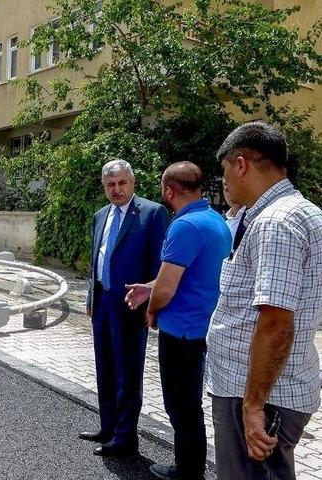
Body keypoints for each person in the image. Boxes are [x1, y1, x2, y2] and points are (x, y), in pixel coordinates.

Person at [207, 122, 322, 479]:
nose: (225, 180)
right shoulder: (300, 212)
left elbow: (276, 321)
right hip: (270, 388)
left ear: (241, 164)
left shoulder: (277, 222)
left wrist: (253, 406)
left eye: (225, 169)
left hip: (261, 395)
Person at [124, 162, 232, 479]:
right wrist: (149, 287)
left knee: (181, 408)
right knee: (189, 406)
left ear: (169, 191)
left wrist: (152, 311)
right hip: (204, 328)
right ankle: (191, 467)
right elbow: (189, 274)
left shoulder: (184, 227)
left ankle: (187, 471)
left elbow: (168, 286)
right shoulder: (216, 221)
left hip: (181, 334)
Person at [80, 159, 169, 457]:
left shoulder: (152, 213)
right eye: (110, 184)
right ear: (104, 187)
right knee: (104, 366)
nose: (116, 189)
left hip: (132, 303)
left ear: (132, 183)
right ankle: (108, 427)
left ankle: (126, 436)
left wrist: (152, 304)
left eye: (121, 183)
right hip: (103, 302)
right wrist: (91, 298)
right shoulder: (99, 216)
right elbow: (96, 261)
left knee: (128, 371)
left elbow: (159, 264)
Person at [222, 178, 247, 255]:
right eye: (226, 189)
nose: (229, 193)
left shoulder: (251, 218)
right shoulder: (222, 219)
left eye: (232, 187)